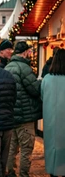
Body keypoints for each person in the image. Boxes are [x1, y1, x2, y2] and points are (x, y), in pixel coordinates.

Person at [5, 41, 42, 177]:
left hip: (11, 115)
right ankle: (24, 174)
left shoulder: (7, 67)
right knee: (26, 149)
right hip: (25, 116)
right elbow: (34, 89)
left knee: (12, 148)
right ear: (25, 52)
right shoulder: (24, 68)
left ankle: (11, 173)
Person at [41, 48, 65, 177]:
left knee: (52, 148)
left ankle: (53, 173)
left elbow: (42, 96)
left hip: (50, 120)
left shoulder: (47, 79)